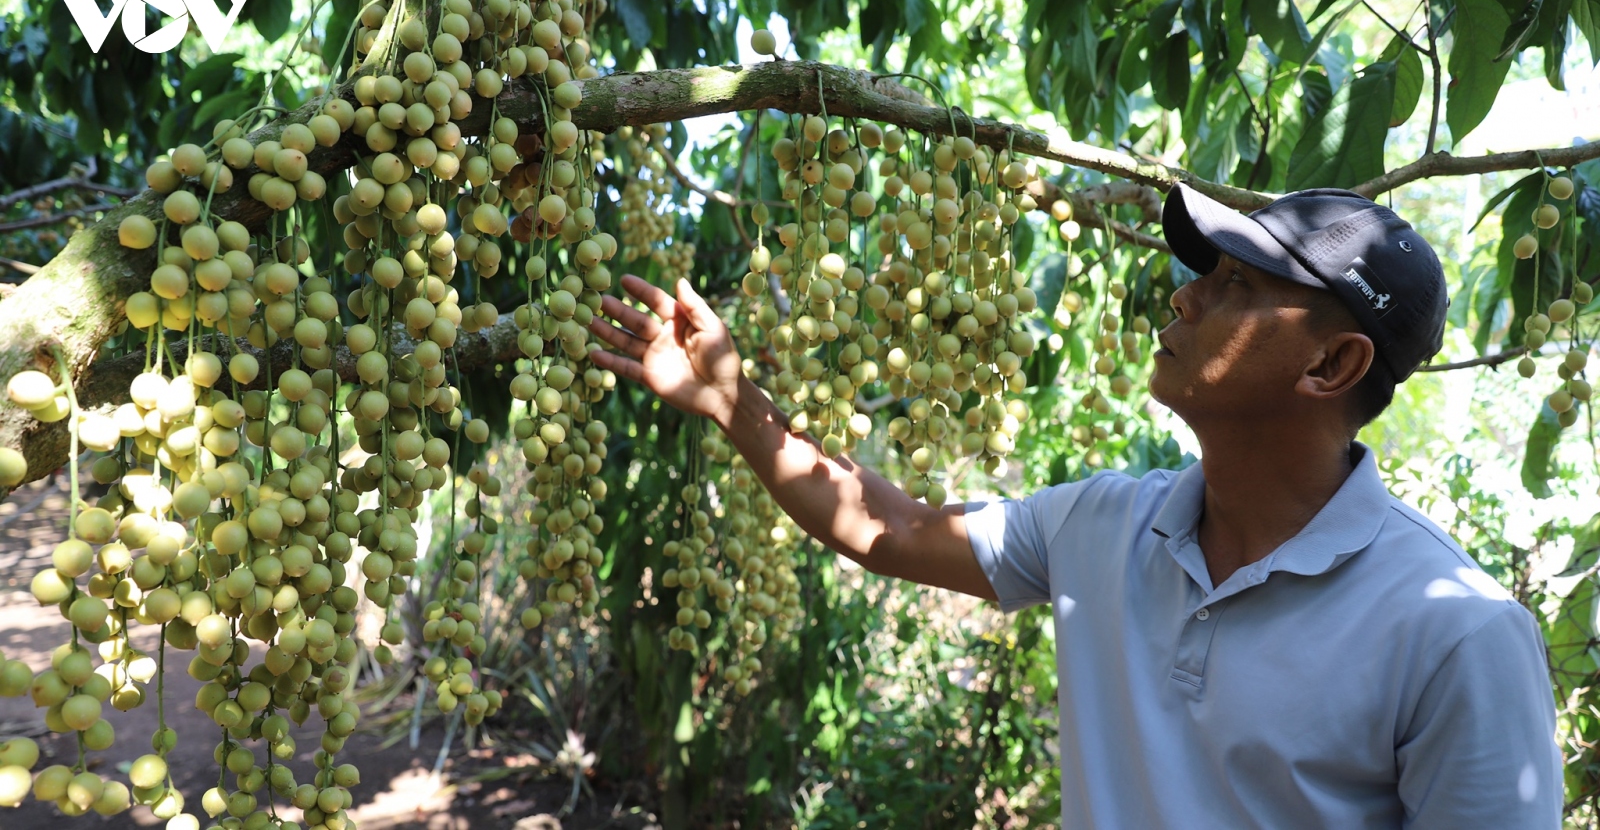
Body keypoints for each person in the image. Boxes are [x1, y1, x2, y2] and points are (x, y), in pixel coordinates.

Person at [587, 182, 1562, 829]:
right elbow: (888, 529)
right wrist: (728, 399)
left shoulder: (1456, 635)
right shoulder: (1105, 526)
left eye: (1230, 284)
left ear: (1331, 362)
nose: (1182, 301)